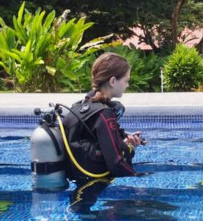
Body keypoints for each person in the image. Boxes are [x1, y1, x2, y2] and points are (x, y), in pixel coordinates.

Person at [62, 52, 145, 182]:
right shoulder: (104, 114)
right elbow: (116, 164)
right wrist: (140, 179)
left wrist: (126, 144)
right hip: (93, 185)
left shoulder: (83, 105)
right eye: (126, 81)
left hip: (78, 180)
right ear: (112, 81)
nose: (127, 85)